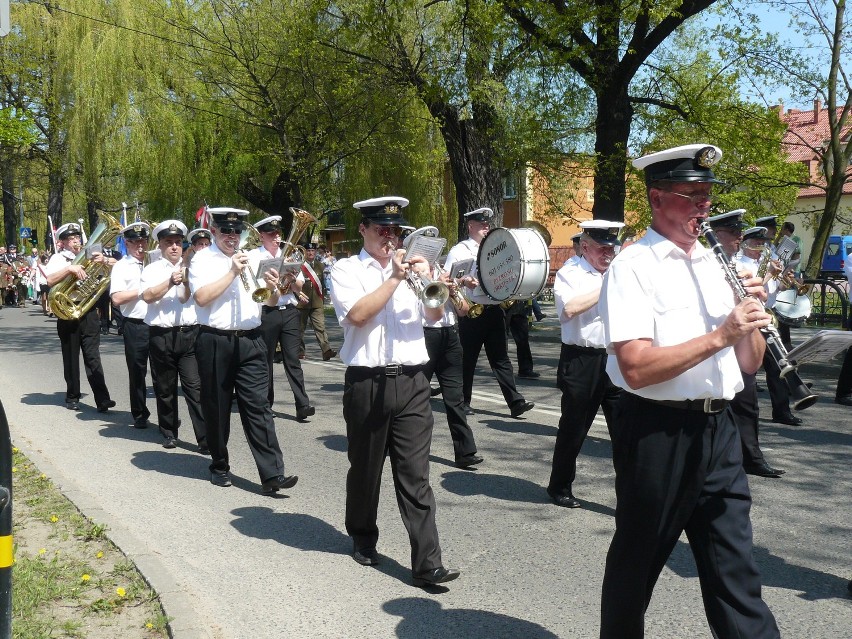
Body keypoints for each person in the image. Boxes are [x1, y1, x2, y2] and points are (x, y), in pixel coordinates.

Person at [599, 144, 780, 638]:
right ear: (658, 199)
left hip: (719, 430)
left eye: (708, 194)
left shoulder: (716, 263)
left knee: (735, 572)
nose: (704, 205)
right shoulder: (633, 266)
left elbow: (749, 363)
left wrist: (751, 321)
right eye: (692, 194)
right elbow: (635, 368)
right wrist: (721, 333)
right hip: (657, 433)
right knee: (636, 568)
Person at [330, 196, 460, 587]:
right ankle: (362, 535)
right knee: (366, 470)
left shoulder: (410, 270)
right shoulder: (345, 269)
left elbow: (434, 315)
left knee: (415, 475)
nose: (390, 237)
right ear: (363, 230)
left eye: (396, 231)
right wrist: (394, 279)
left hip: (414, 381)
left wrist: (432, 280)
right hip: (368, 381)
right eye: (382, 229)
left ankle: (427, 563)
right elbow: (357, 315)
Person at [189, 206, 297, 494]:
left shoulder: (254, 258)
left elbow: (269, 303)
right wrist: (231, 272)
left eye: (237, 231)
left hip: (251, 340)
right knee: (217, 407)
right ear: (214, 231)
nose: (232, 236)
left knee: (258, 406)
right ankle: (219, 465)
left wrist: (275, 288)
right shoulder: (202, 259)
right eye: (226, 230)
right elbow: (201, 298)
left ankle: (273, 474)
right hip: (215, 340)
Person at [547, 220, 623, 509]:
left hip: (616, 358)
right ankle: (559, 486)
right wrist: (605, 287)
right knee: (574, 429)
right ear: (586, 246)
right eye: (603, 248)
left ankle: (630, 493)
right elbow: (568, 310)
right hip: (583, 359)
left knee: (626, 431)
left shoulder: (617, 271)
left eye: (612, 248)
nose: (608, 253)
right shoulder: (571, 272)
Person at [709, 213, 786, 478]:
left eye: (739, 231)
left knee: (747, 402)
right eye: (732, 231)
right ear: (716, 234)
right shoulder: (707, 266)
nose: (738, 237)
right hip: (716, 343)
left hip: (745, 338)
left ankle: (751, 457)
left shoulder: (738, 266)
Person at [444, 208, 534, 418]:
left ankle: (515, 401)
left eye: (487, 225)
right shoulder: (460, 250)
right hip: (472, 312)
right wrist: (463, 281)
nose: (486, 228)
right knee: (468, 359)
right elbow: (447, 280)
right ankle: (464, 401)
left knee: (501, 359)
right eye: (482, 224)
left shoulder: (496, 248)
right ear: (470, 226)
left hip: (493, 309)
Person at [405, 226, 483, 469]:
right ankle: (400, 444)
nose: (430, 251)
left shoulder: (441, 270)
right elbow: (426, 310)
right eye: (425, 246)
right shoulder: (408, 274)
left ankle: (465, 451)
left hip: (450, 336)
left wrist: (453, 287)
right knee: (414, 397)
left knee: (455, 397)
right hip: (424, 335)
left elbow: (463, 310)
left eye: (433, 246)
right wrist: (433, 282)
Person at [141, 220, 207, 452]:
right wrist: (170, 281)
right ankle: (169, 432)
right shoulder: (151, 269)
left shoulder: (195, 266)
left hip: (189, 334)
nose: (174, 247)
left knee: (195, 388)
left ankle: (204, 438)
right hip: (161, 335)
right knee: (165, 388)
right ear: (160, 245)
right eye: (169, 243)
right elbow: (148, 296)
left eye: (178, 242)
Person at [248, 215, 315, 421]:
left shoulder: (290, 255)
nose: (276, 237)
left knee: (292, 359)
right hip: (266, 313)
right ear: (261, 236)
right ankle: (267, 403)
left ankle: (302, 404)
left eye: (278, 233)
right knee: (265, 360)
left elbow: (299, 286)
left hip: (288, 311)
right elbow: (255, 289)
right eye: (271, 234)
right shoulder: (252, 256)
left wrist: (292, 276)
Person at [44, 222, 116, 413]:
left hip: (89, 311)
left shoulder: (91, 255)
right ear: (63, 242)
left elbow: (112, 270)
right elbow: (49, 280)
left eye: (77, 237)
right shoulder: (58, 259)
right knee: (71, 357)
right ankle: (72, 396)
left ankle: (102, 399)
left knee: (93, 357)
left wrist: (105, 261)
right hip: (67, 312)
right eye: (70, 238)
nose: (75, 241)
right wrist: (70, 269)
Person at [736, 224, 802, 426]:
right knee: (748, 372)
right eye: (757, 242)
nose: (761, 246)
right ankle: (743, 414)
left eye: (763, 242)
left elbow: (773, 290)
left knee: (777, 366)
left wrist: (786, 278)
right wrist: (769, 273)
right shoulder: (739, 263)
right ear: (747, 244)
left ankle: (781, 410)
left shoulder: (765, 261)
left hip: (767, 316)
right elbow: (750, 290)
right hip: (750, 319)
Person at [110, 222, 154, 429]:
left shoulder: (155, 262)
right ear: (126, 243)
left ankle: (167, 418)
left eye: (143, 241)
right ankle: (139, 412)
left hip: (158, 324)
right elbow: (117, 299)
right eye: (135, 242)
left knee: (163, 373)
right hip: (135, 324)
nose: (140, 245)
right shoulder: (121, 266)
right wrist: (142, 291)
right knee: (137, 371)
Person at [298, 242, 337, 361]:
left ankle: (326, 350)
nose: (310, 253)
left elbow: (324, 284)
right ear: (304, 252)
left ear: (315, 252)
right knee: (300, 329)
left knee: (320, 327)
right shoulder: (299, 266)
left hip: (316, 302)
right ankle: (300, 351)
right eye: (308, 251)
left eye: (312, 251)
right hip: (301, 303)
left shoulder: (320, 266)